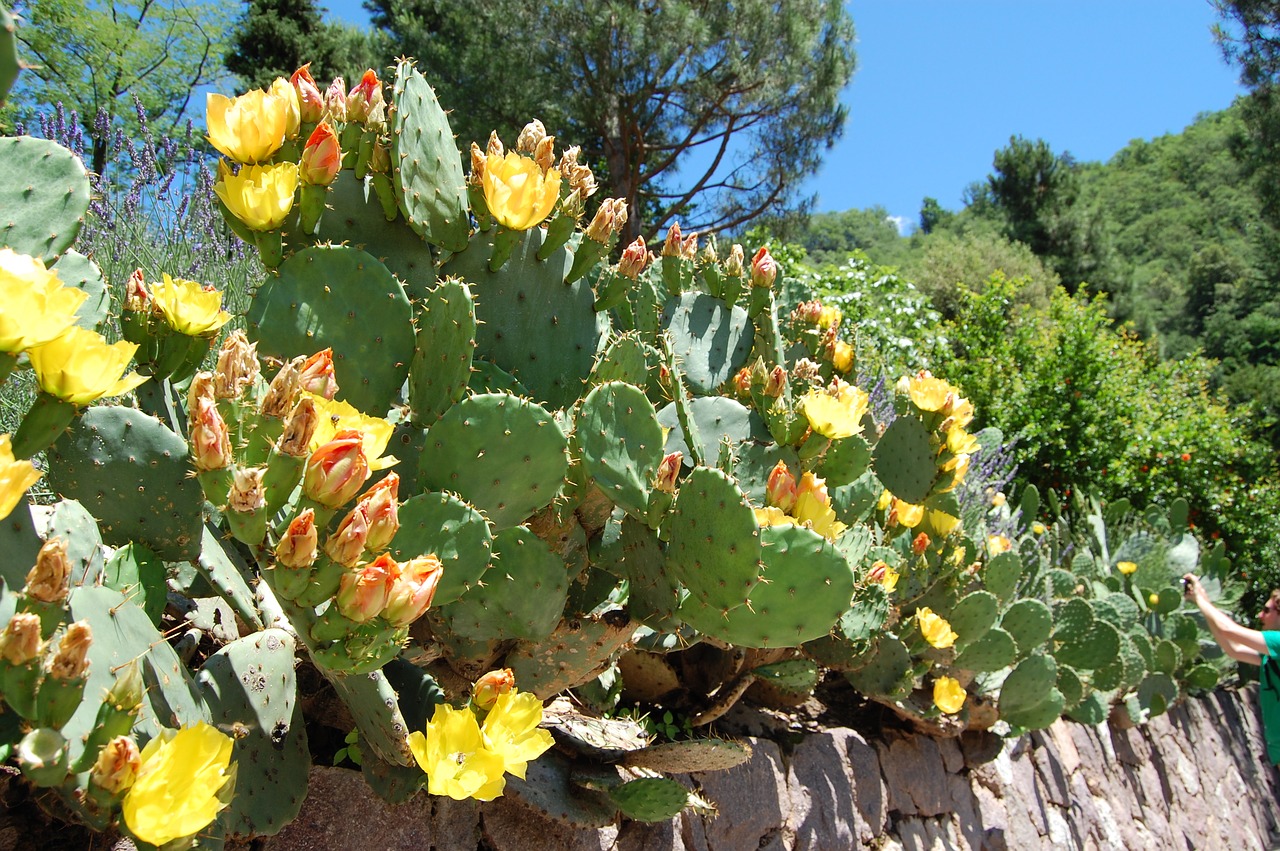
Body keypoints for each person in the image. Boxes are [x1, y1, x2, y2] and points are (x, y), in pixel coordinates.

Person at [1183, 573, 1280, 764]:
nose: (1260, 616)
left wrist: (1202, 600)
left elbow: (1230, 630)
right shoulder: (1271, 655)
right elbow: (1232, 648)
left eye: (1267, 610)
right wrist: (1203, 604)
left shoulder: (1277, 643)